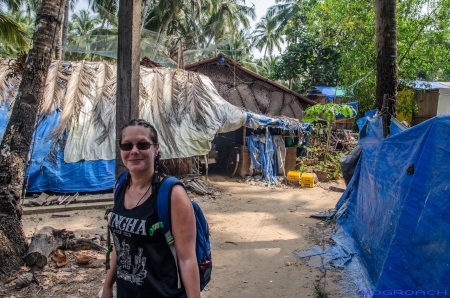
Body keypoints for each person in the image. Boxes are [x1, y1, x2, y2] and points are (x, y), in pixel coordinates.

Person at [102, 119, 200, 298]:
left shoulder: (172, 194)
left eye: (142, 144)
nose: (134, 151)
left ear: (156, 149)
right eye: (126, 145)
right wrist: (108, 286)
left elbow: (187, 259)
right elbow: (118, 245)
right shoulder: (121, 185)